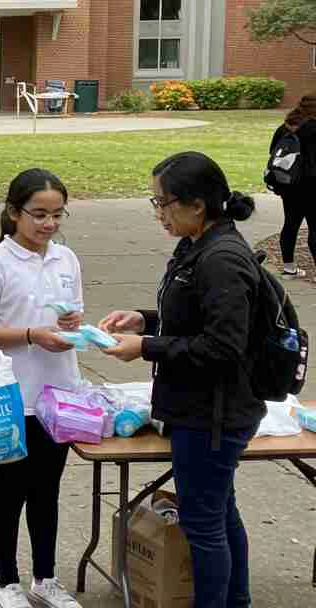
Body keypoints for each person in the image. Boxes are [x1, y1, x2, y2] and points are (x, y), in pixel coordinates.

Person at [100, 151, 265, 608]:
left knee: (204, 524)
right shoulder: (197, 245)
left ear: (196, 204)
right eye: (154, 202)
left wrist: (146, 347)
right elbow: (193, 319)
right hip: (199, 407)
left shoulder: (222, 258)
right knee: (218, 512)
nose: (158, 212)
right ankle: (236, 601)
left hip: (214, 413)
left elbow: (223, 346)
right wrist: (145, 320)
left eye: (163, 202)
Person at [0, 169, 85, 608]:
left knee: (48, 491)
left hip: (59, 394)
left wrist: (72, 324)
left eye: (57, 214)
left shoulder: (66, 259)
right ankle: (6, 581)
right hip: (13, 396)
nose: (49, 224)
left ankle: (45, 577)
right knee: (11, 490)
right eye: (39, 214)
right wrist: (31, 335)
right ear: (15, 212)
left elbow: (73, 317)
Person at [271, 93, 316, 279]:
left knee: (290, 224)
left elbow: (273, 152)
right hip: (312, 185)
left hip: (288, 185)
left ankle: (289, 269)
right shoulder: (313, 128)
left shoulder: (285, 127)